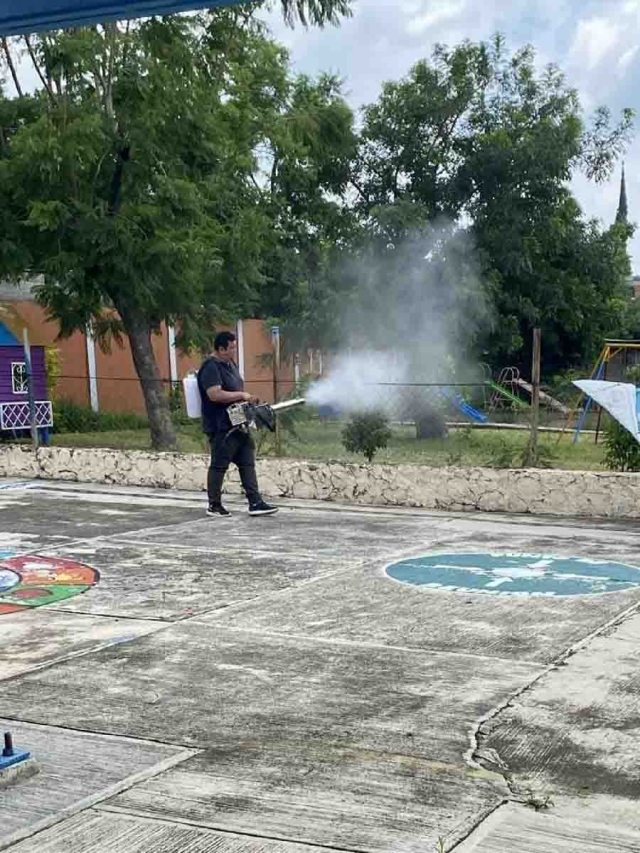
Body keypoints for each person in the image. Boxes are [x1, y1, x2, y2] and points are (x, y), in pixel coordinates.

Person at [198, 331, 278, 517]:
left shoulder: (230, 364)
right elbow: (214, 394)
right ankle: (214, 505)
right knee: (219, 465)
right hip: (220, 426)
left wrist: (247, 401)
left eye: (235, 346)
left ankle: (255, 502)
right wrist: (242, 395)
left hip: (238, 422)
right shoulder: (211, 367)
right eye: (231, 347)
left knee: (247, 461)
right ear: (221, 348)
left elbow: (234, 387)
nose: (234, 350)